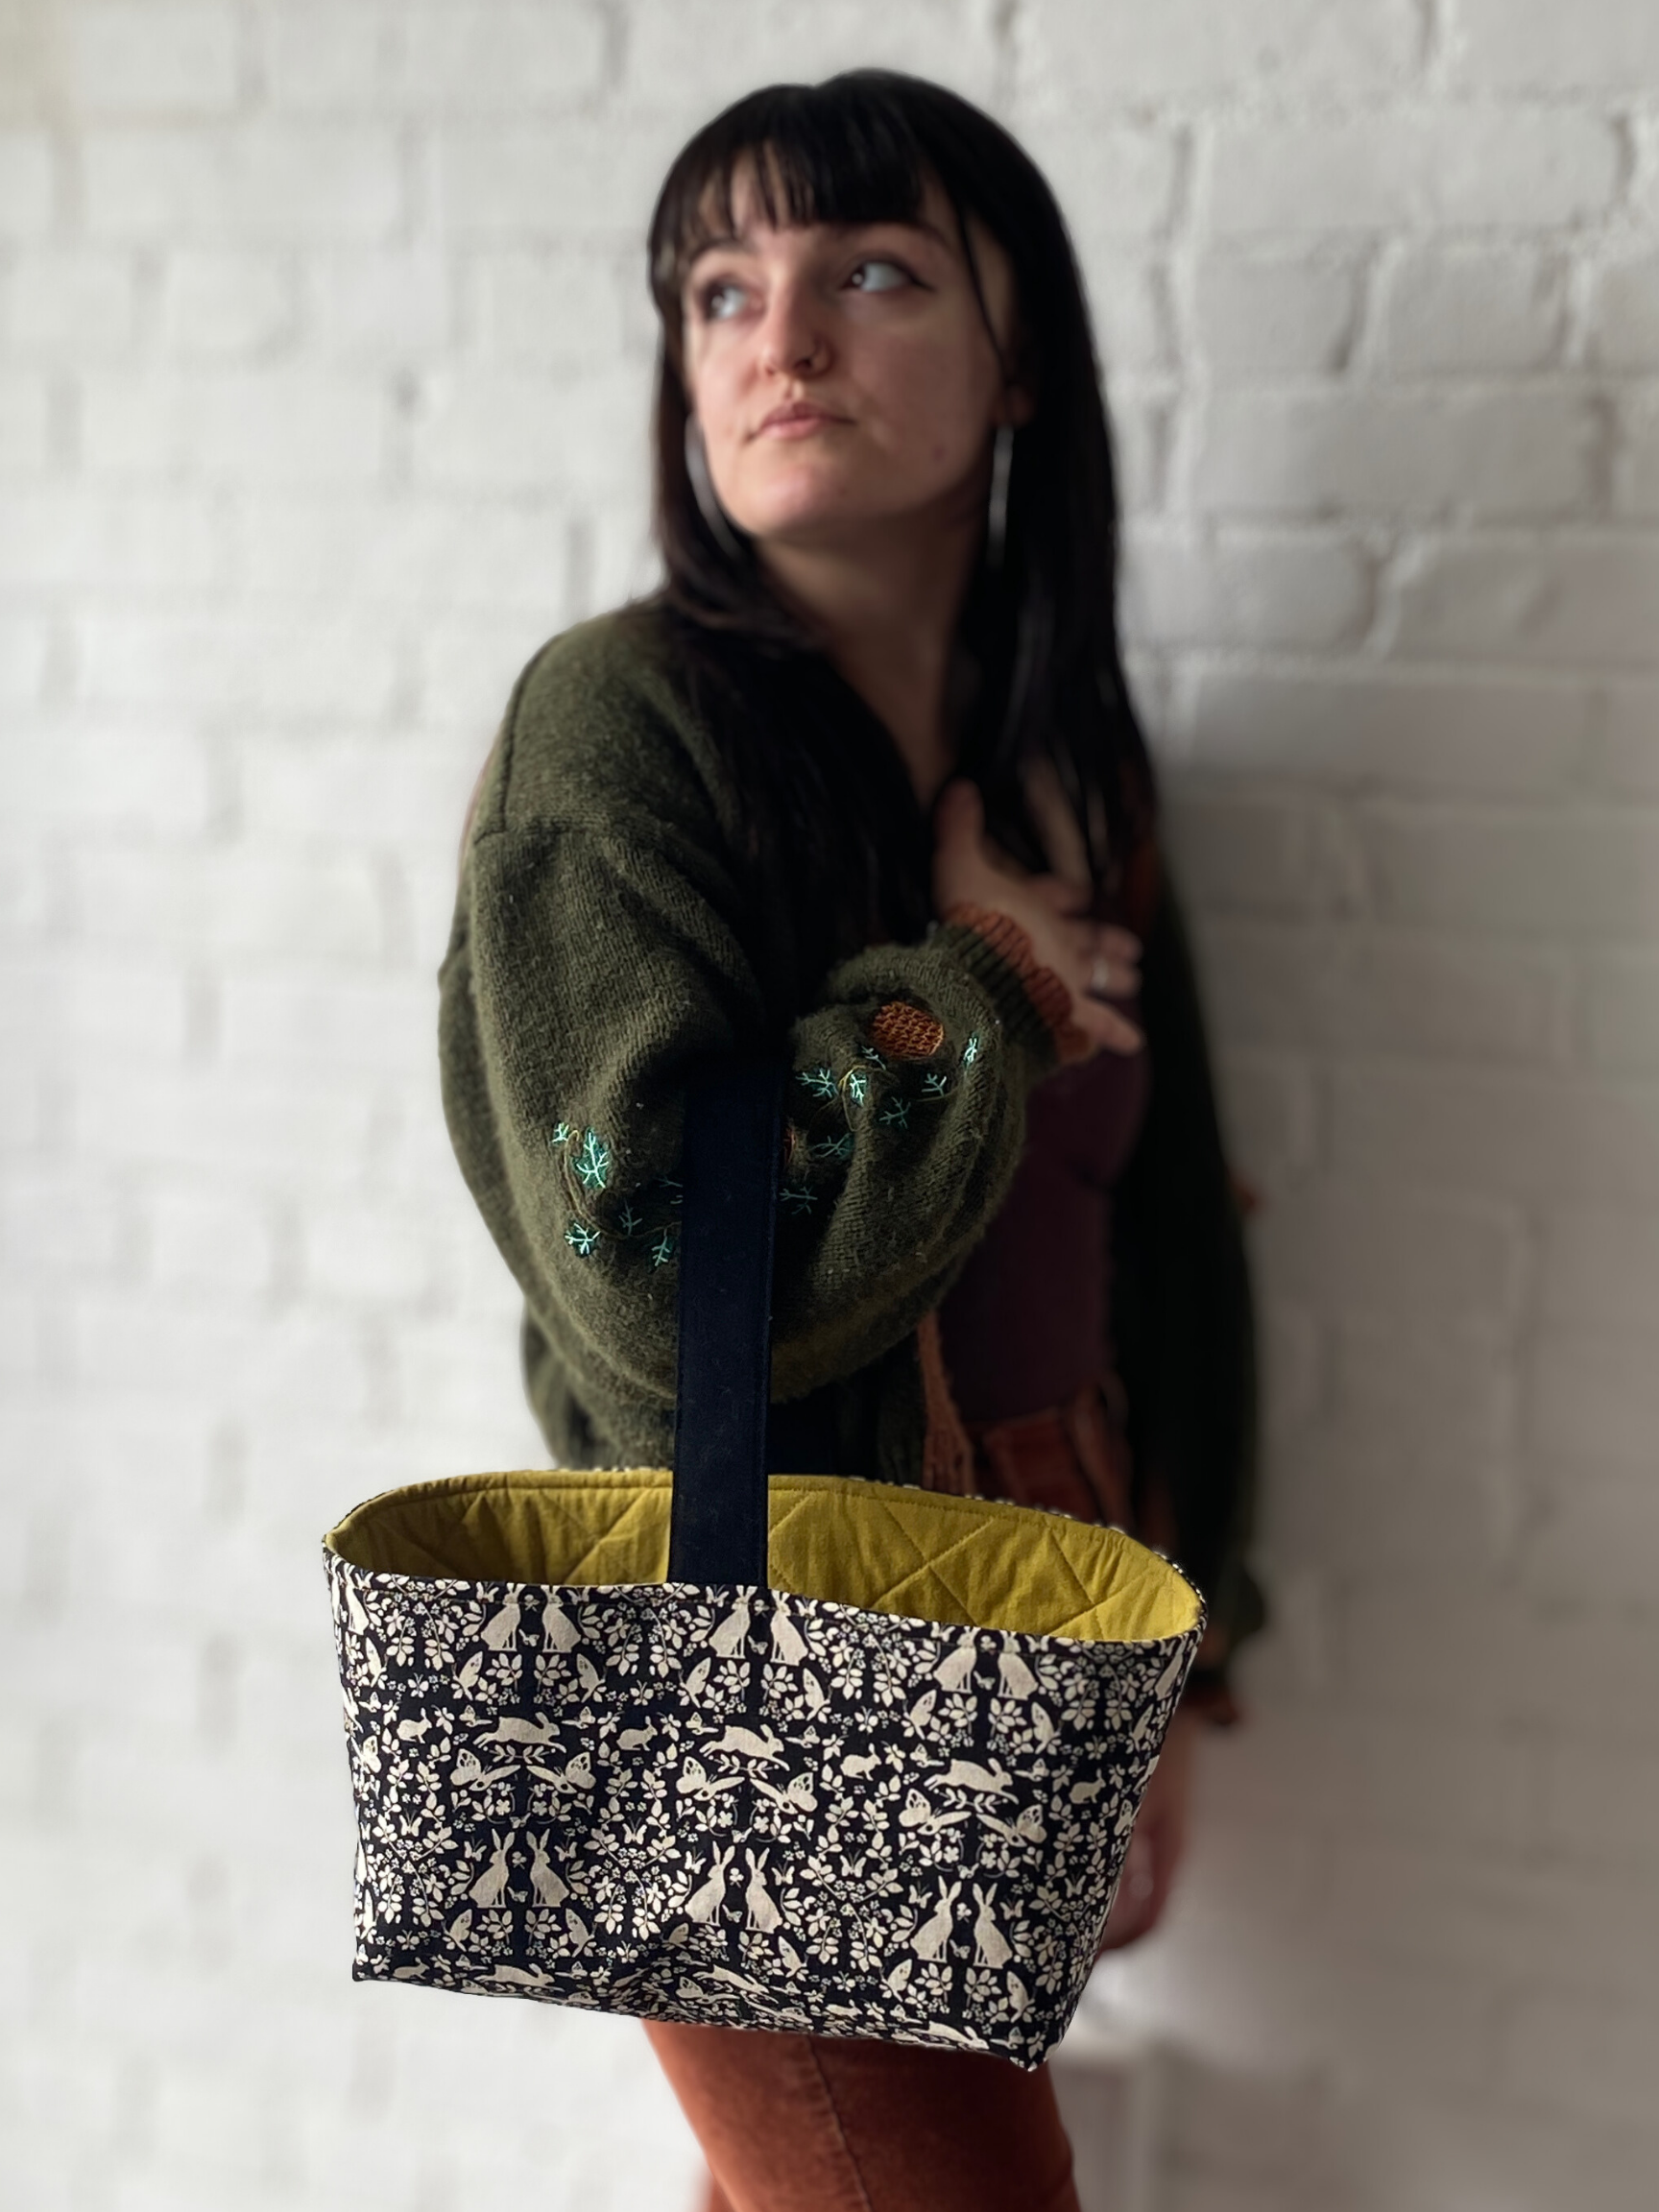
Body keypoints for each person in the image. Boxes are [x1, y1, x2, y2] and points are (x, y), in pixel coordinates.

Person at [439, 69, 1261, 2212]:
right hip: (766, 1645)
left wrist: (1185, 1661)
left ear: (1018, 364)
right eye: (721, 289)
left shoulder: (1066, 755)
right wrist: (975, 978)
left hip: (1060, 1582)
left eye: (872, 272)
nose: (779, 338)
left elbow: (1165, 1231)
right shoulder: (622, 730)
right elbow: (644, 1268)